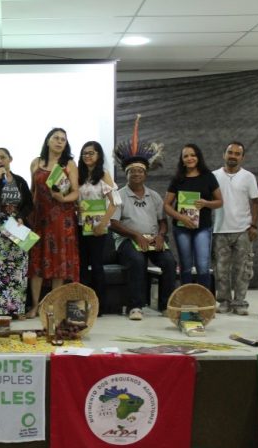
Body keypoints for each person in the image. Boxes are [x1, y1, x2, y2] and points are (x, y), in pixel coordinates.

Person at [110, 155, 177, 321]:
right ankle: (135, 306)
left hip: (153, 239)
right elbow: (113, 223)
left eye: (140, 171)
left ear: (145, 175)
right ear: (126, 175)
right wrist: (135, 235)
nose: (136, 174)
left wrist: (161, 235)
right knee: (137, 260)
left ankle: (165, 305)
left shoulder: (154, 196)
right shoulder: (119, 195)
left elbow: (163, 222)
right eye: (132, 171)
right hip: (127, 239)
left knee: (169, 262)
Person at [26, 128, 80, 318]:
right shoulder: (35, 163)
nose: (59, 142)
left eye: (63, 140)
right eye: (56, 138)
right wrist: (27, 216)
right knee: (36, 264)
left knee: (59, 264)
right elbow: (32, 193)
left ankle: (53, 306)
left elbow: (75, 192)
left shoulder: (69, 164)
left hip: (61, 220)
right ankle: (35, 306)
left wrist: (63, 199)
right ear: (48, 140)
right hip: (39, 219)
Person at [0, 147, 33, 317]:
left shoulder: (20, 181)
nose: (0, 160)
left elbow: (29, 204)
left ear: (10, 159)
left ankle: (16, 310)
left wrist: (22, 216)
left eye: (3, 157)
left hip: (17, 230)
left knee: (16, 271)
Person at [163, 143, 222, 287]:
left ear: (198, 157)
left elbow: (220, 202)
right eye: (186, 156)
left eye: (193, 155)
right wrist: (181, 217)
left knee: (203, 265)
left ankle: (203, 301)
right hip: (182, 227)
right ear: (182, 160)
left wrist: (206, 203)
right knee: (186, 265)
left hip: (202, 227)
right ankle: (186, 299)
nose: (189, 158)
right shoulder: (177, 179)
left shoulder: (208, 177)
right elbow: (166, 205)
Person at [212, 141, 258, 315]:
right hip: (219, 229)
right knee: (221, 269)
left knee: (243, 269)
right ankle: (224, 302)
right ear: (224, 154)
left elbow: (255, 203)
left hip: (243, 230)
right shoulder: (214, 176)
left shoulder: (248, 177)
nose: (233, 156)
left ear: (242, 157)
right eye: (230, 152)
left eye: (237, 153)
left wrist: (254, 225)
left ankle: (240, 303)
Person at [76, 141, 118, 316]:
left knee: (97, 266)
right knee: (82, 266)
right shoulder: (78, 175)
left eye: (91, 153)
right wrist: (76, 208)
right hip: (81, 226)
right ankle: (82, 305)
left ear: (99, 155)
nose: (88, 156)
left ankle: (99, 306)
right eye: (85, 153)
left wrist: (102, 223)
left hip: (99, 228)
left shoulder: (104, 175)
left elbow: (115, 202)